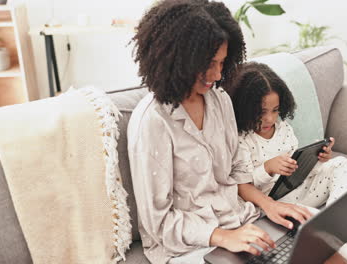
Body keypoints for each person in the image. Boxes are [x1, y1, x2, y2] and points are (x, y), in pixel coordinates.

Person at [127, 1, 313, 263]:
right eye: (208, 64)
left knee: (322, 246)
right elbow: (159, 222)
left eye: (222, 63)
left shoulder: (220, 100)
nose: (216, 75)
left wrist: (269, 206)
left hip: (239, 219)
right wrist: (223, 237)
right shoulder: (153, 121)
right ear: (177, 59)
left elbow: (238, 173)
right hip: (188, 246)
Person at [229, 62, 347, 232]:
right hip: (272, 202)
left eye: (275, 110)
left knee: (341, 163)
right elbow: (243, 186)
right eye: (262, 112)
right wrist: (268, 168)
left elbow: (298, 170)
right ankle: (340, 222)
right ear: (245, 109)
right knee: (301, 213)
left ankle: (341, 214)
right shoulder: (243, 140)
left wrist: (317, 158)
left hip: (298, 189)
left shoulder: (283, 129)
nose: (270, 119)